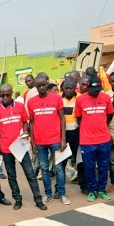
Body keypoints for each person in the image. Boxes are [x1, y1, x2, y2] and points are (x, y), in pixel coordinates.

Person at [0, 84, 47, 211]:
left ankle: (38, 199)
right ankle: (17, 199)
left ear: (12, 94)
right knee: (11, 176)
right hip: (6, 148)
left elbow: (25, 122)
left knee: (30, 174)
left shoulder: (20, 107)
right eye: (2, 95)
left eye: (7, 95)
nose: (5, 97)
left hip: (20, 147)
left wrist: (25, 133)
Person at [27, 75, 70, 205]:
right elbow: (32, 123)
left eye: (43, 85)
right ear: (35, 86)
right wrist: (32, 141)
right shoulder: (31, 102)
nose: (41, 88)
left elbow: (62, 119)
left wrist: (63, 139)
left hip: (56, 140)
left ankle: (62, 194)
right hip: (40, 142)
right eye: (38, 86)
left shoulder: (56, 98)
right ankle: (48, 194)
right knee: (44, 169)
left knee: (58, 168)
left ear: (47, 83)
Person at [74, 77, 114, 201]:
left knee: (104, 166)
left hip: (103, 139)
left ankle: (102, 189)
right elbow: (79, 118)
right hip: (87, 141)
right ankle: (92, 190)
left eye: (98, 89)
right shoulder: (80, 99)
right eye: (94, 89)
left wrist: (101, 126)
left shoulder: (106, 98)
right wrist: (88, 127)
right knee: (89, 167)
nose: (96, 92)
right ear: (87, 87)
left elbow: (109, 114)